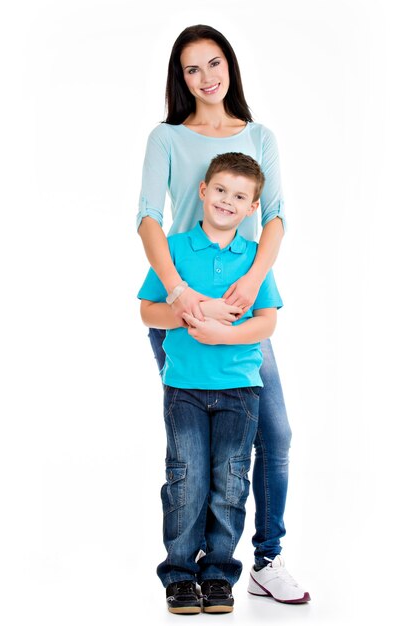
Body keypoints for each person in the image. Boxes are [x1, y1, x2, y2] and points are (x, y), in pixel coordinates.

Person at [137, 24, 310, 604]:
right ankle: (188, 572)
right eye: (192, 69)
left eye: (215, 63)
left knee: (274, 434)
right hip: (184, 299)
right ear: (180, 79)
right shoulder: (166, 138)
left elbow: (278, 214)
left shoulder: (260, 136)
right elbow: (148, 218)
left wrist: (254, 278)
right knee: (193, 458)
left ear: (230, 66)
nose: (207, 78)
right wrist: (180, 294)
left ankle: (266, 558)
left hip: (242, 305)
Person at [138, 152, 283, 614]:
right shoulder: (176, 250)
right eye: (220, 190)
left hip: (241, 389)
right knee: (186, 479)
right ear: (202, 191)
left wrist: (227, 334)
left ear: (251, 208)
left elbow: (267, 323)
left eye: (239, 196)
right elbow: (148, 312)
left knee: (230, 480)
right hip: (183, 386)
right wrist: (187, 313)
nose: (227, 201)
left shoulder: (254, 259)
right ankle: (179, 574)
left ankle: (219, 572)